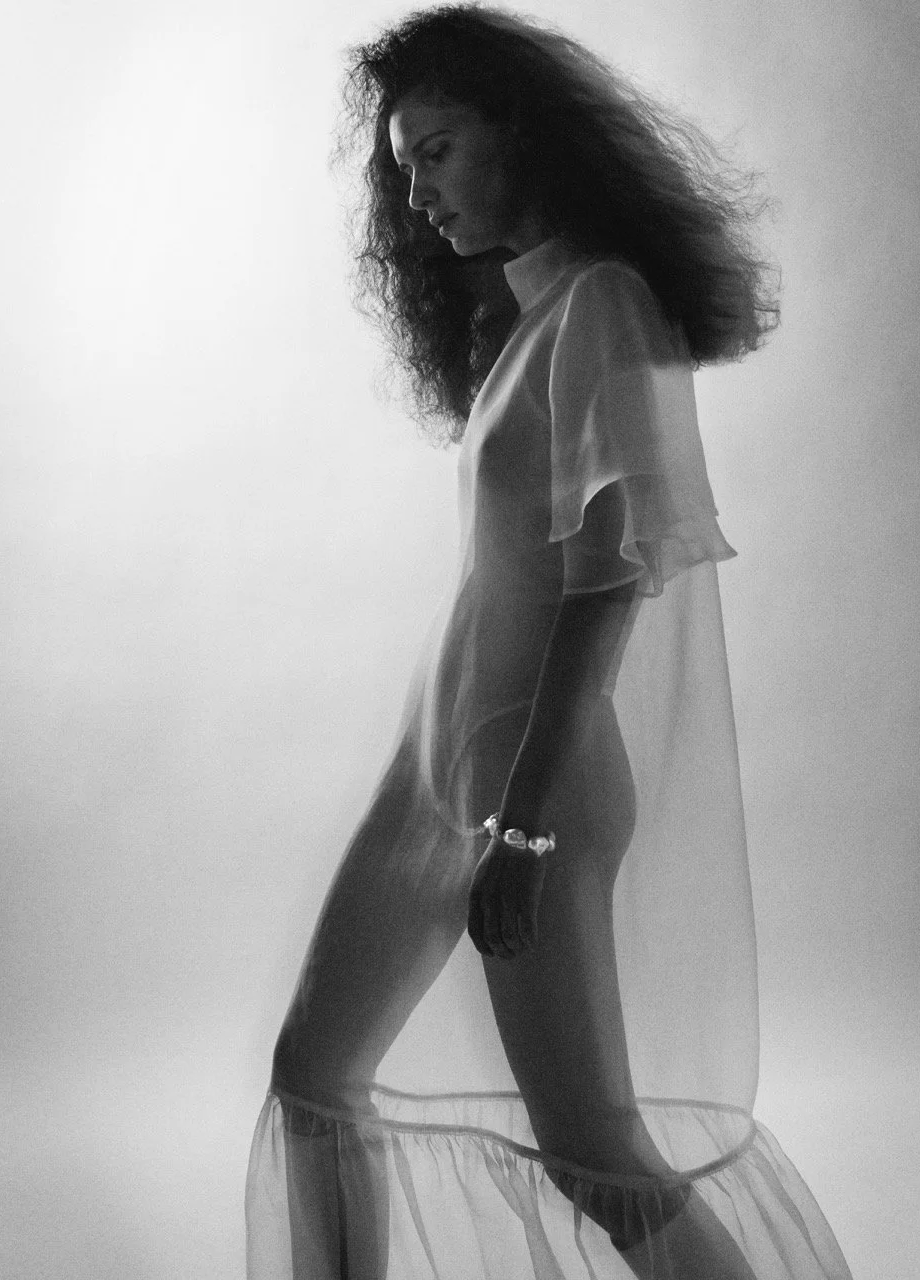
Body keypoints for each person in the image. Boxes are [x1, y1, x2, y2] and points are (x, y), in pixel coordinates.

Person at [245, 6, 854, 1278]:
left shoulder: (604, 307)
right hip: (438, 774)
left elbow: (606, 586)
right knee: (314, 1074)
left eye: (438, 151)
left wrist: (519, 827)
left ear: (521, 133)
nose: (417, 194)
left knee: (592, 1148)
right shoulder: (534, 314)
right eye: (405, 166)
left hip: (533, 785)